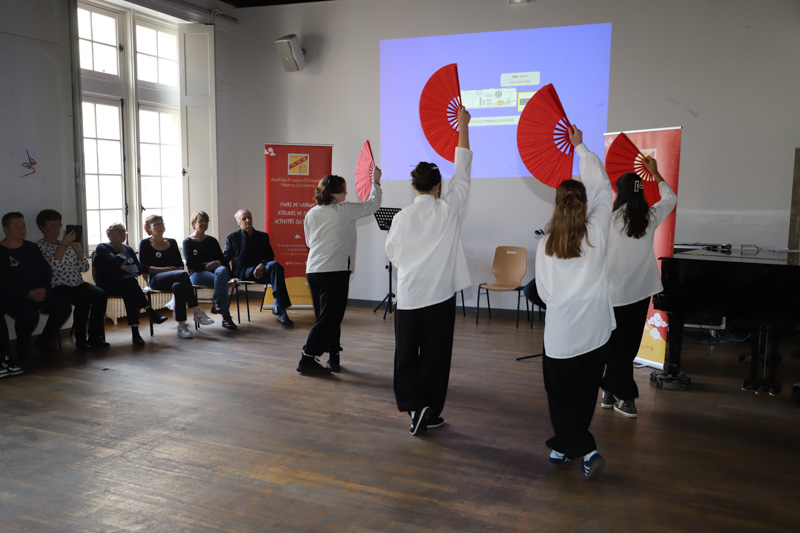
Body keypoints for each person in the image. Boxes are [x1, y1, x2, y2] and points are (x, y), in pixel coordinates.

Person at [385, 106, 472, 436]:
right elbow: (462, 172)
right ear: (438, 187)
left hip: (409, 296)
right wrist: (463, 127)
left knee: (405, 356)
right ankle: (429, 410)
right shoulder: (448, 210)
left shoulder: (401, 218)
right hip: (439, 296)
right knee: (435, 357)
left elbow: (392, 252)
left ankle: (417, 408)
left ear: (415, 187)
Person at [534, 126, 614, 480]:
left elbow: (545, 293)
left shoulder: (546, 245)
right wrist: (580, 146)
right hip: (596, 332)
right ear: (585, 205)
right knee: (583, 394)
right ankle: (569, 446)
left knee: (560, 396)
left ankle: (583, 448)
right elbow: (604, 190)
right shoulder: (596, 232)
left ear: (556, 204)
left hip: (562, 335)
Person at [601, 159, 677, 418]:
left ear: (619, 192)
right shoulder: (651, 215)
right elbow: (671, 197)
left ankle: (621, 395)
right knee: (629, 346)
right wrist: (655, 172)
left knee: (615, 347)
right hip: (642, 292)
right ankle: (615, 391)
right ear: (640, 191)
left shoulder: (609, 221)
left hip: (614, 293)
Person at [297, 168, 383, 375]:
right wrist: (376, 182)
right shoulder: (343, 210)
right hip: (334, 270)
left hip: (314, 270)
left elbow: (310, 241)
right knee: (329, 319)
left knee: (326, 318)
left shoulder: (311, 213)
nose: (346, 194)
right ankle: (307, 358)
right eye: (343, 191)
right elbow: (373, 205)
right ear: (334, 193)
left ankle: (333, 356)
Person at [0, 212, 72, 359]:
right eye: (17, 226)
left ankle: (43, 341)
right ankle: (22, 348)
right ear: (6, 229)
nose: (22, 229)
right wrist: (27, 293)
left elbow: (45, 270)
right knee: (29, 316)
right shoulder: (1, 252)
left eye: (24, 225)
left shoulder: (31, 247)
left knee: (63, 306)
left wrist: (44, 288)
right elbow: (4, 283)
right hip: (13, 296)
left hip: (38, 292)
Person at [35, 209, 109, 351]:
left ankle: (94, 337)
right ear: (42, 227)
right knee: (83, 299)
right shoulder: (40, 246)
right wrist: (63, 244)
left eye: (58, 225)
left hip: (77, 282)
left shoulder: (68, 245)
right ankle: (80, 341)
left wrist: (78, 250)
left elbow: (84, 267)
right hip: (58, 284)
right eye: (52, 226)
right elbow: (53, 266)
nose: (56, 229)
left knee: (101, 294)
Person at [139, 214, 214, 339]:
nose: (160, 226)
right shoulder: (145, 243)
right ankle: (196, 310)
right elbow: (144, 268)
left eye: (161, 223)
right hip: (155, 279)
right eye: (156, 224)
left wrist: (173, 271)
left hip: (175, 278)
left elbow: (179, 265)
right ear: (148, 228)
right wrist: (167, 269)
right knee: (183, 275)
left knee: (179, 286)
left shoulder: (172, 242)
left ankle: (181, 325)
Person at [93, 222, 168, 346]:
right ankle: (149, 313)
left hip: (125, 284)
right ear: (109, 234)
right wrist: (122, 260)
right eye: (120, 231)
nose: (123, 234)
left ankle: (136, 333)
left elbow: (138, 268)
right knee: (130, 283)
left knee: (129, 290)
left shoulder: (128, 249)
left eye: (124, 231)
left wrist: (123, 266)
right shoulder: (102, 247)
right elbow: (106, 267)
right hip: (107, 283)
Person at [223, 209, 293, 326]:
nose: (248, 220)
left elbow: (269, 255)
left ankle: (280, 308)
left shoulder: (263, 236)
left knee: (275, 266)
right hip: (244, 272)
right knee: (275, 272)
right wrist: (229, 278)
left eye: (249, 217)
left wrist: (261, 264)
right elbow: (225, 258)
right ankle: (282, 311)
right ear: (238, 222)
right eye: (244, 218)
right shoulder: (232, 237)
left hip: (262, 270)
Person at [183, 211, 237, 330]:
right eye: (200, 220)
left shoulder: (212, 241)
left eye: (206, 221)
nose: (204, 223)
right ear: (193, 224)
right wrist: (206, 265)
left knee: (222, 270)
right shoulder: (188, 242)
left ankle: (217, 301)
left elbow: (222, 259)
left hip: (217, 272)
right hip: (197, 274)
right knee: (221, 281)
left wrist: (218, 264)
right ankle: (226, 317)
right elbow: (191, 263)